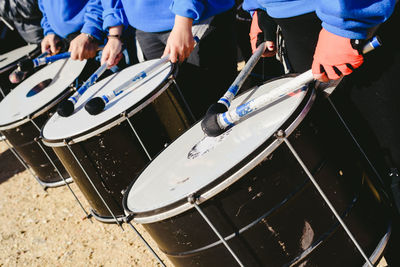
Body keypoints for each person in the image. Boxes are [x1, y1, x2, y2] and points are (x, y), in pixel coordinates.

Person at [243, 0, 399, 265]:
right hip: (300, 23)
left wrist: (345, 22)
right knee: (355, 166)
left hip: (345, 20)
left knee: (391, 168)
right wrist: (259, 7)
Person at [100, 0, 238, 119]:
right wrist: (114, 34)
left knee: (214, 107)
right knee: (181, 109)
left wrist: (184, 18)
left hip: (198, 16)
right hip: (145, 28)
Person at [38, 0, 104, 60]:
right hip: (67, 42)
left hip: (94, 37)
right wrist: (50, 31)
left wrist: (90, 31)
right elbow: (44, 7)